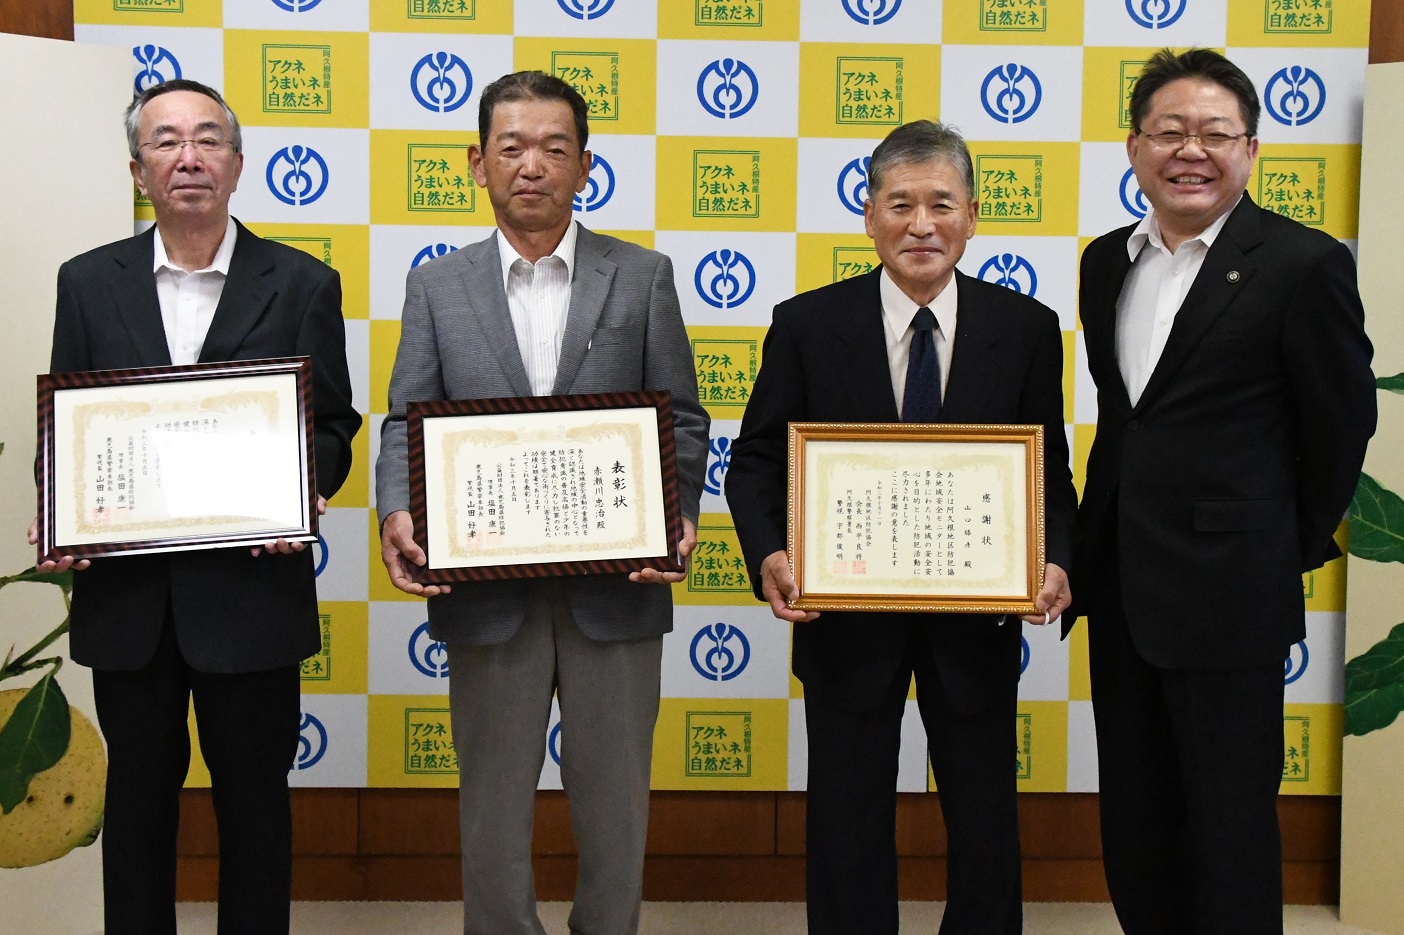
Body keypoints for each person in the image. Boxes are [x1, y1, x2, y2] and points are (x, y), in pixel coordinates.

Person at [375, 70, 708, 935]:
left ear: (586, 166)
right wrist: (395, 508)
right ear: (477, 163)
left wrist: (679, 510)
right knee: (490, 810)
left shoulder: (642, 276)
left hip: (618, 590)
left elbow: (683, 416)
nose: (533, 166)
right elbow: (405, 421)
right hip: (489, 596)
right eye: (512, 147)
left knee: (617, 811)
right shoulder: (437, 287)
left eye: (555, 148)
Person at [725, 120, 1076, 935]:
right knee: (846, 821)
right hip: (847, 620)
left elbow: (1047, 469)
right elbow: (755, 460)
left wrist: (1056, 558)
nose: (922, 224)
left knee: (986, 821)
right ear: (869, 215)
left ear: (974, 216)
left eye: (941, 204)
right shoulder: (807, 323)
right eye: (901, 204)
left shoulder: (1024, 328)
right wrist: (771, 550)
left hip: (976, 621)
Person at [27, 78, 360, 935]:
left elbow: (332, 424)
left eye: (208, 139)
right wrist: (57, 508)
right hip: (130, 604)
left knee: (255, 811)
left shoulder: (301, 283)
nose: (188, 157)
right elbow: (70, 422)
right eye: (166, 141)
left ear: (238, 164)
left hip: (251, 598)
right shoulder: (87, 282)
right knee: (135, 810)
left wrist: (305, 483)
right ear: (138, 170)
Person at [1072, 48, 1376, 935]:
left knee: (1231, 824)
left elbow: (1340, 426)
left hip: (1233, 592)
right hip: (1123, 584)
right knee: (1135, 821)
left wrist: (1278, 541)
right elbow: (1129, 420)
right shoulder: (1103, 264)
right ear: (1134, 148)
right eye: (1168, 132)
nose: (1189, 151)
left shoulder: (1300, 263)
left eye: (1214, 133)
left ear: (1250, 149)